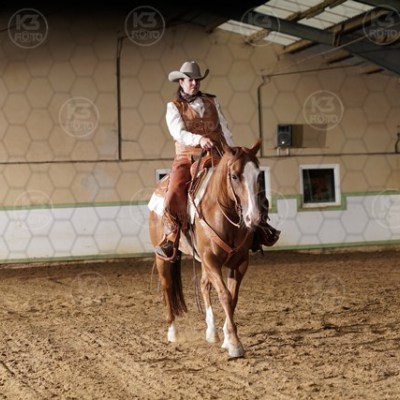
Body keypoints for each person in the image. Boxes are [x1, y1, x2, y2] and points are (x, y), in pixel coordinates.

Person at [155, 61, 279, 259]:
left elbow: (225, 129)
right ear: (181, 81)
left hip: (218, 154)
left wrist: (234, 152)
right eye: (190, 80)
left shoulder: (212, 102)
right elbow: (178, 133)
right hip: (187, 156)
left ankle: (259, 227)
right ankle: (172, 236)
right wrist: (199, 140)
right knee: (175, 191)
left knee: (246, 180)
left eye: (197, 80)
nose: (194, 83)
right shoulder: (174, 107)